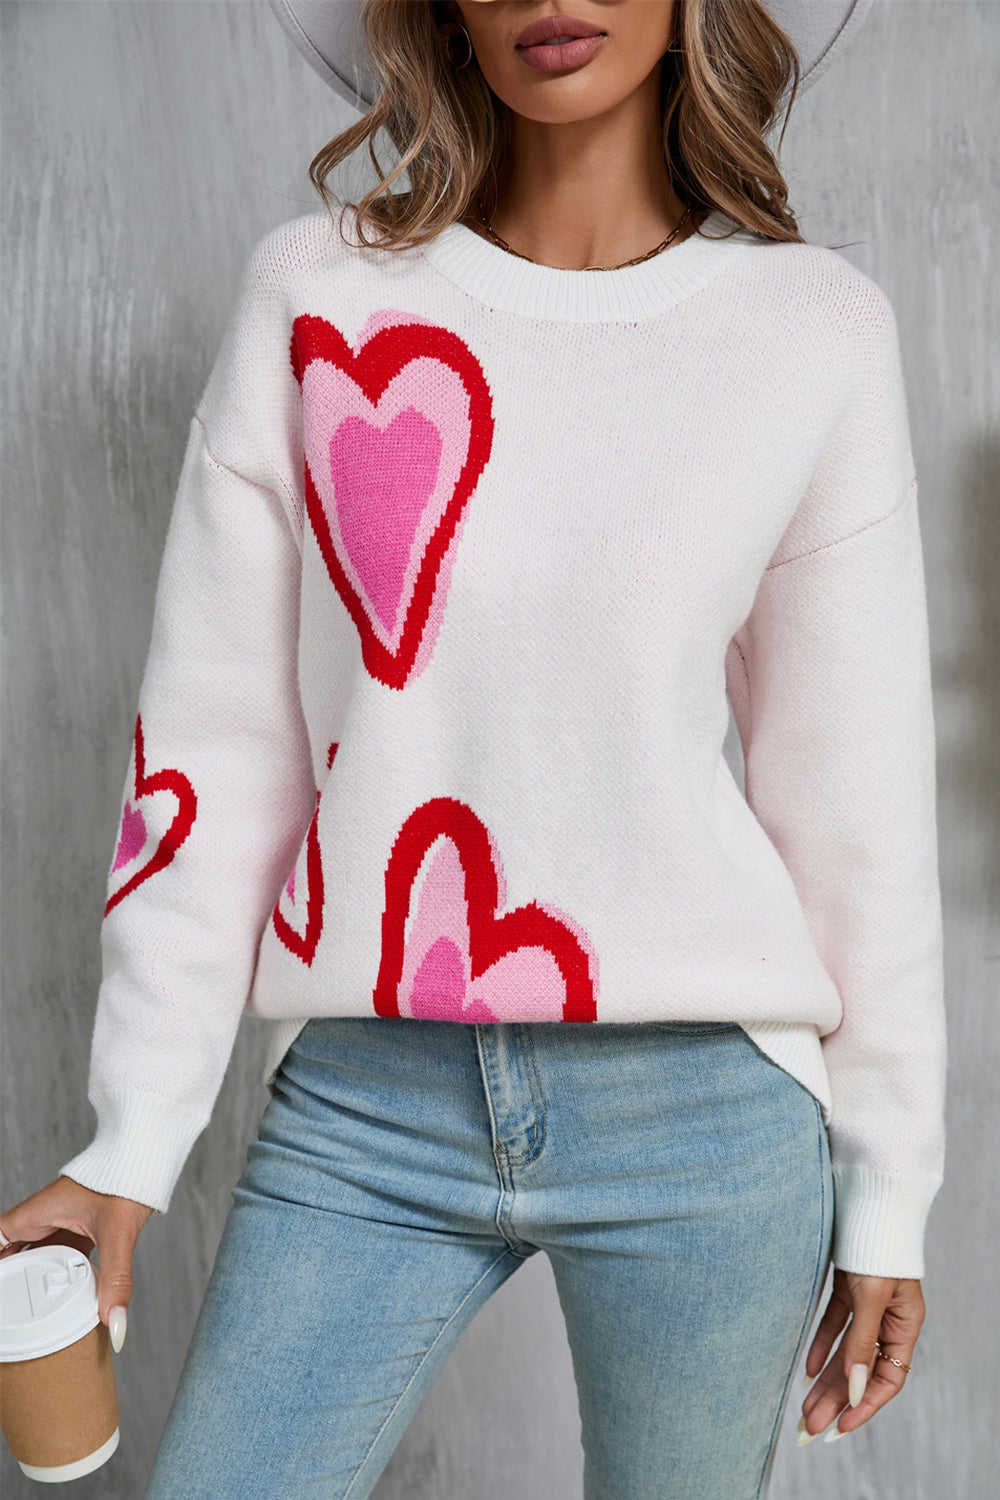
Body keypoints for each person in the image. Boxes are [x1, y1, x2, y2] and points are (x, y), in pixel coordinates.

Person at [0, 1, 946, 1495]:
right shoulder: (314, 295)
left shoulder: (812, 331)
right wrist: (130, 1141)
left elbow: (856, 800)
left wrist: (886, 1184)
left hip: (704, 1113)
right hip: (371, 1097)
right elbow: (213, 744)